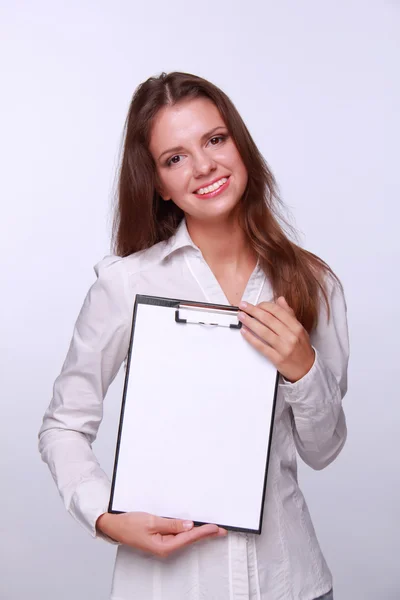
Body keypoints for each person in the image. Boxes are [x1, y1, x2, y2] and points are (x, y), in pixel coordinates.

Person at [38, 71, 349, 600]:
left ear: (239, 144)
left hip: (290, 582)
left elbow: (324, 450)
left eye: (214, 139)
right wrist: (105, 517)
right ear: (157, 183)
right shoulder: (126, 285)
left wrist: (304, 368)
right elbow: (63, 426)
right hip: (167, 586)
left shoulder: (311, 282)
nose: (203, 166)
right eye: (174, 157)